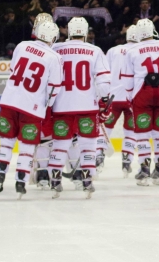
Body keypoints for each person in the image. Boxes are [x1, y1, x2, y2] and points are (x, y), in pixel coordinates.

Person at [0, 20, 62, 199]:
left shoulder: (22, 46)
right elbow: (54, 87)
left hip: (9, 101)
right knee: (27, 146)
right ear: (53, 38)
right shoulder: (54, 57)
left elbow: (13, 69)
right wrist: (47, 105)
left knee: (6, 141)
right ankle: (20, 182)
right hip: (32, 107)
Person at [48, 17, 110, 199]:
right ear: (85, 32)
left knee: (60, 144)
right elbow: (104, 81)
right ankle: (87, 178)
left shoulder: (56, 49)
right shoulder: (95, 50)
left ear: (68, 31)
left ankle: (55, 178)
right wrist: (104, 100)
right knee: (88, 145)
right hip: (86, 106)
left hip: (61, 106)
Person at [121, 18, 159, 186]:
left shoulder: (132, 50)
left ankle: (144, 170)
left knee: (142, 135)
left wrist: (129, 97)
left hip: (142, 93)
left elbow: (127, 78)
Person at [100, 24, 137, 175]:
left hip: (113, 98)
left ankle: (98, 156)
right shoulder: (141, 51)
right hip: (132, 99)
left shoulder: (113, 51)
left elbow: (104, 74)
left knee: (106, 128)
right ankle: (127, 160)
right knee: (131, 130)